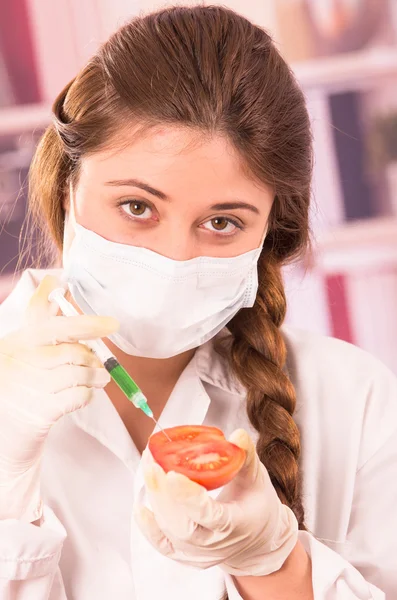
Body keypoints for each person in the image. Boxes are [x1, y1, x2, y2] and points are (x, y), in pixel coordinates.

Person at [0, 5, 395, 600]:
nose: (174, 258)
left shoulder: (353, 395)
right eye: (137, 207)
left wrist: (275, 564)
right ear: (67, 189)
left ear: (269, 231)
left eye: (221, 221)